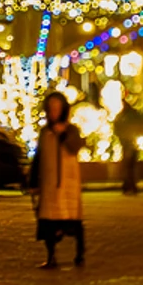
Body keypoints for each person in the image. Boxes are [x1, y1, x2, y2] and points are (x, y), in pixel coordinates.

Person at [32, 91, 86, 267]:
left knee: (73, 222)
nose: (54, 111)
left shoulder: (71, 130)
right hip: (49, 185)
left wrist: (63, 134)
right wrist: (33, 181)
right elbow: (38, 157)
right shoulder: (44, 132)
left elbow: (75, 147)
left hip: (68, 184)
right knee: (48, 223)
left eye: (57, 108)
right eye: (51, 108)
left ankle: (79, 255)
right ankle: (51, 256)